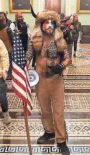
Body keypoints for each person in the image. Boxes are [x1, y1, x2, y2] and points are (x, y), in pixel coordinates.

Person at [26, 7, 71, 155]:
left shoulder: (60, 38)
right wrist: (22, 69)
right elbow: (28, 57)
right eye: (47, 22)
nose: (49, 25)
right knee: (44, 110)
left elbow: (67, 58)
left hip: (56, 80)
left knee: (58, 111)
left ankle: (61, 140)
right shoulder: (34, 38)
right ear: (41, 24)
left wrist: (61, 66)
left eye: (52, 22)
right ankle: (49, 132)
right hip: (40, 79)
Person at [0, 12, 13, 79]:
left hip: (0, 48)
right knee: (9, 61)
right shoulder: (8, 29)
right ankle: (9, 74)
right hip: (9, 48)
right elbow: (12, 39)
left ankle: (3, 73)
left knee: (2, 61)